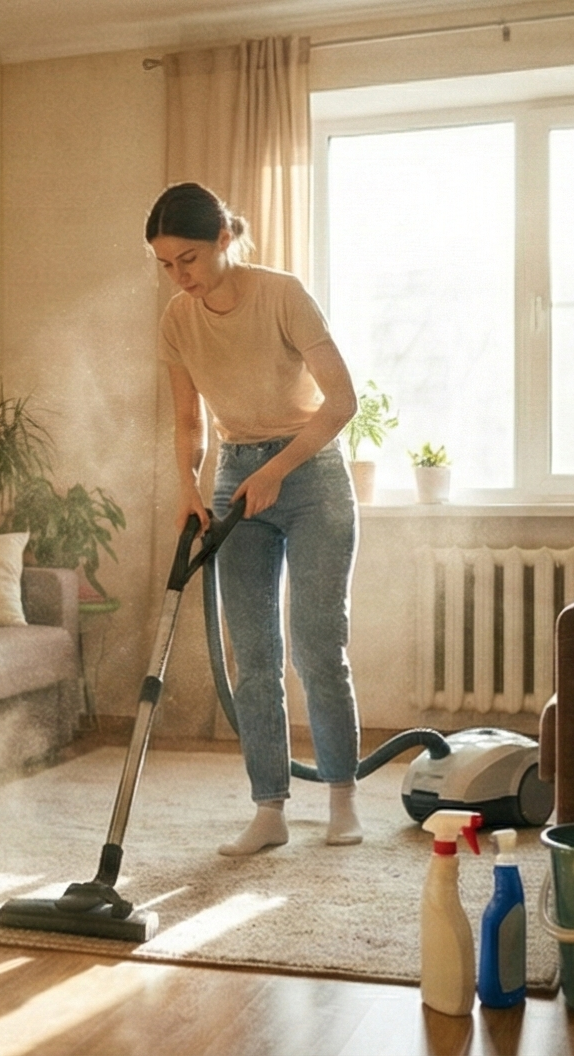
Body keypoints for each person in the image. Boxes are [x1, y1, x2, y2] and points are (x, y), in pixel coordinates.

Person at [147, 182, 373, 857]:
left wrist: (275, 471)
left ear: (223, 238)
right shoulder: (177, 321)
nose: (178, 277)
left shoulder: (282, 294)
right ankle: (268, 808)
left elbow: (341, 402)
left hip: (311, 476)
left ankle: (342, 797)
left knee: (316, 643)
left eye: (187, 259)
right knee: (254, 654)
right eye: (164, 264)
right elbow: (189, 420)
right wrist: (188, 484)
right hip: (234, 478)